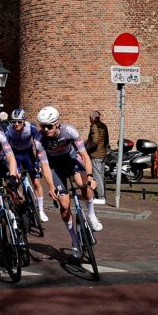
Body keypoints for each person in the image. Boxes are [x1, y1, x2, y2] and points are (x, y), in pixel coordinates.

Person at [36, 106, 102, 260]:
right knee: (64, 205)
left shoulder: (69, 131)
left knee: (83, 183)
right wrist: (51, 187)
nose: (45, 129)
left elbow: (84, 155)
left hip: (71, 159)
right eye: (42, 126)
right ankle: (75, 240)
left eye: (49, 126)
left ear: (57, 123)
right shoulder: (39, 139)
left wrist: (90, 176)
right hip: (55, 166)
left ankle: (91, 214)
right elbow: (45, 166)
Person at [5, 108, 49, 222]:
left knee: (36, 182)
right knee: (15, 181)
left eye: (19, 121)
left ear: (24, 121)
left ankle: (41, 210)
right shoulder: (9, 130)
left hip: (28, 155)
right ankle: (20, 203)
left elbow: (39, 146)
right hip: (16, 156)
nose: (16, 124)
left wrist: (38, 162)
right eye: (14, 121)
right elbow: (5, 148)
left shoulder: (31, 128)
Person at [85, 110, 109, 204]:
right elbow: (106, 140)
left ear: (92, 118)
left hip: (96, 154)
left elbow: (95, 142)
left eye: (90, 118)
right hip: (102, 154)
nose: (89, 119)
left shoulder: (94, 126)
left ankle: (100, 197)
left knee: (97, 176)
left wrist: (87, 148)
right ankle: (103, 196)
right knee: (101, 175)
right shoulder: (103, 126)